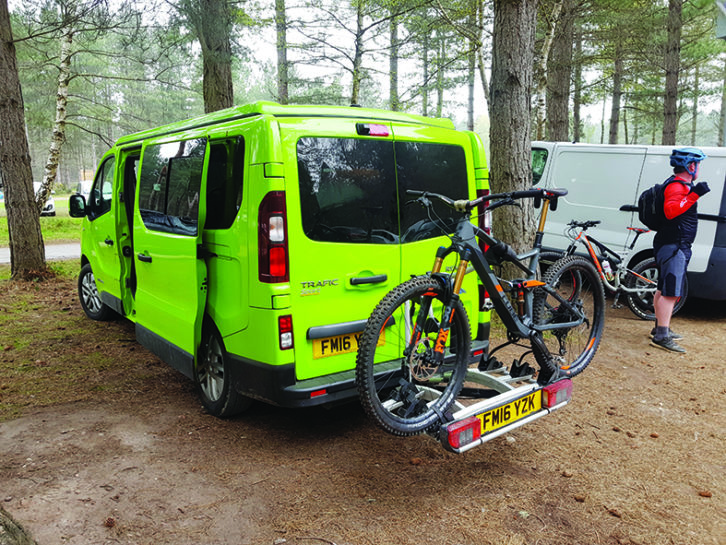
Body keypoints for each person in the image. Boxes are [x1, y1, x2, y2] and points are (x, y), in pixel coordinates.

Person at [651, 147, 709, 353]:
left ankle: (659, 327)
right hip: (674, 245)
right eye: (698, 164)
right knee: (670, 293)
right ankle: (662, 335)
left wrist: (692, 193)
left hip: (673, 244)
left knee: (663, 289)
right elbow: (671, 211)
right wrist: (694, 195)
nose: (699, 168)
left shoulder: (678, 184)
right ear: (690, 166)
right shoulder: (677, 187)